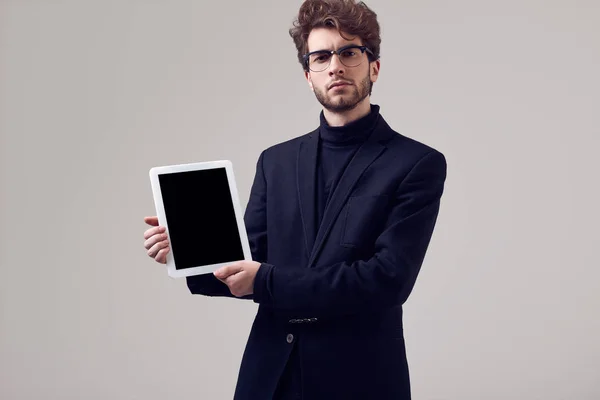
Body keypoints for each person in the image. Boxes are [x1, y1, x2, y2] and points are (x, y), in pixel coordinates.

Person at [143, 0, 447, 398]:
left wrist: (266, 279)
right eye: (321, 56)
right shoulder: (276, 161)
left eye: (349, 52)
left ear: (374, 66)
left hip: (360, 380)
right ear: (308, 75)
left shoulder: (416, 163)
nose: (335, 66)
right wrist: (187, 254)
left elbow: (387, 280)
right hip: (270, 378)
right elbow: (246, 261)